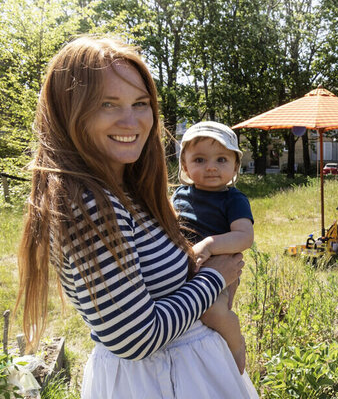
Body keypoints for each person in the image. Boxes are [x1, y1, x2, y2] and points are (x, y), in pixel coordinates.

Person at [16, 36, 257, 398]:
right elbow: (136, 338)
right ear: (69, 112)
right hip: (158, 382)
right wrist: (213, 279)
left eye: (140, 103)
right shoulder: (89, 203)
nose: (131, 120)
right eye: (107, 104)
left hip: (182, 374)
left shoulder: (125, 189)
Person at [171, 121, 254, 374]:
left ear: (235, 166)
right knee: (186, 317)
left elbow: (244, 237)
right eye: (199, 160)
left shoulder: (233, 199)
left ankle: (235, 342)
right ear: (184, 165)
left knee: (210, 311)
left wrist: (210, 244)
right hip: (188, 269)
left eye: (221, 159)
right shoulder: (179, 196)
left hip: (219, 270)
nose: (210, 167)